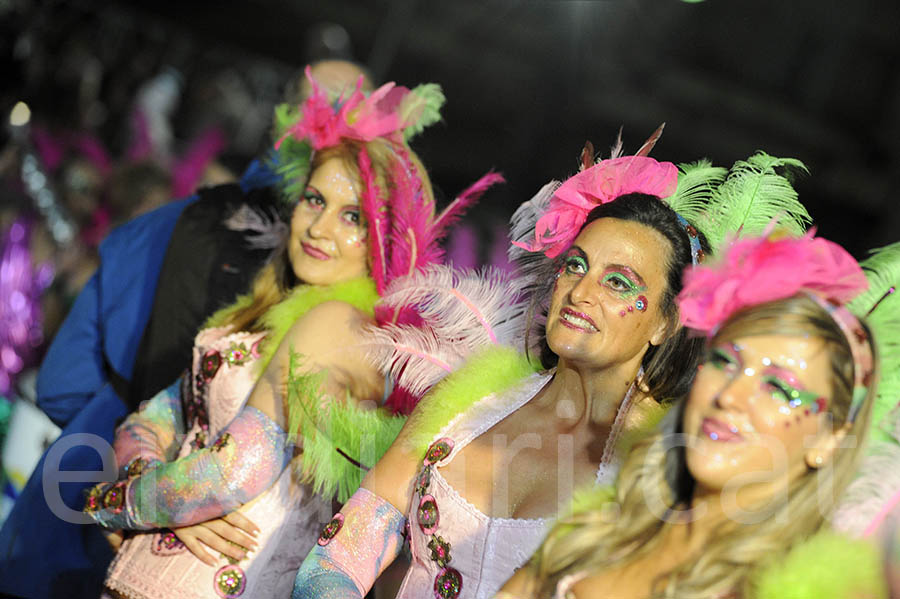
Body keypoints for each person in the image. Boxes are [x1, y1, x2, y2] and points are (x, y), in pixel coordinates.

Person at [291, 138, 818, 598]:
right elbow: (337, 559)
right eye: (576, 265)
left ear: (665, 322)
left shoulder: (665, 464)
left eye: (619, 282)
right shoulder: (463, 403)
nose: (581, 292)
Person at [84, 68, 503, 599]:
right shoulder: (264, 309)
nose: (320, 228)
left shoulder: (338, 326)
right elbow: (152, 418)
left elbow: (234, 473)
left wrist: (115, 502)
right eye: (314, 200)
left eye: (352, 216)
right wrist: (161, 498)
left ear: (386, 237)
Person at [0, 60, 371, 599]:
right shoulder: (333, 291)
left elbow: (61, 383)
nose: (323, 225)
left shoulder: (169, 221)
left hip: (74, 504)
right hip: (190, 551)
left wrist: (130, 475)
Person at [500, 230, 892, 599]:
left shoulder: (790, 588)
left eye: (779, 388)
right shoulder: (595, 531)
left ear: (828, 440)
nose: (731, 396)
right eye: (725, 361)